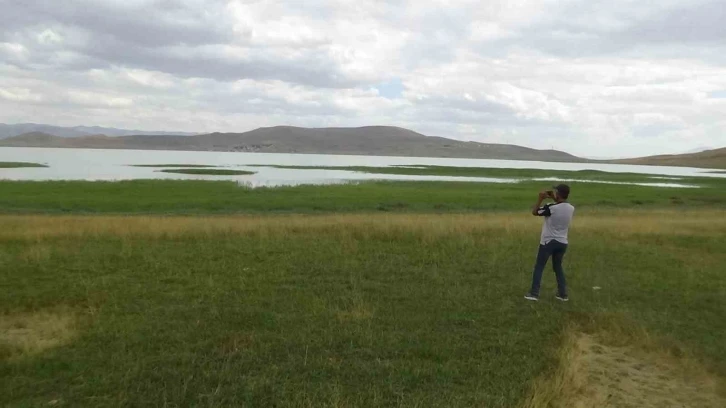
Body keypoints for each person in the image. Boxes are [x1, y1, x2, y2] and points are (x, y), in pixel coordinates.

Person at [524, 184, 575, 302]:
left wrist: (540, 199)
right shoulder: (571, 208)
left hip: (548, 241)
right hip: (563, 242)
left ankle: (534, 293)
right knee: (558, 267)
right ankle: (563, 294)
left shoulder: (551, 208)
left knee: (539, 267)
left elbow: (535, 212)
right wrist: (554, 198)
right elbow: (561, 206)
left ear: (558, 193)